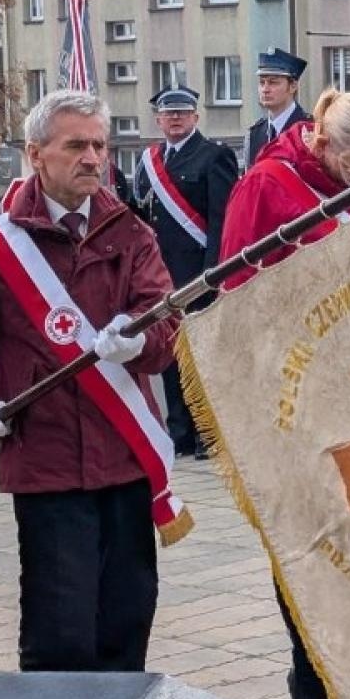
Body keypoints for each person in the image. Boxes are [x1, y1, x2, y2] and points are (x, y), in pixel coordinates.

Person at [0, 89, 180, 674]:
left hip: (126, 461)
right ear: (37, 154)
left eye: (99, 145)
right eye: (76, 146)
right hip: (48, 466)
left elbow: (167, 327)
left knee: (125, 625)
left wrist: (142, 341)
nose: (92, 158)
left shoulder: (131, 234)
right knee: (59, 637)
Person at [219, 90, 350, 699]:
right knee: (317, 572)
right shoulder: (265, 187)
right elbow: (237, 303)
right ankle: (317, 697)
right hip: (300, 407)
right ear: (323, 141)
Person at [133, 84, 239, 459]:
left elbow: (221, 219)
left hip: (197, 275)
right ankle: (178, 433)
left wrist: (213, 274)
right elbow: (140, 218)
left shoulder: (214, 157)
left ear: (195, 116)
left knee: (201, 357)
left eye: (182, 112)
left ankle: (206, 436)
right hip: (160, 276)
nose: (175, 119)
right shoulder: (149, 161)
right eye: (168, 113)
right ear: (158, 119)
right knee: (169, 355)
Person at [245, 47, 310, 167]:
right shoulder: (255, 133)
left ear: (293, 86)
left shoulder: (309, 129)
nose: (265, 89)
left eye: (273, 82)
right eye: (261, 82)